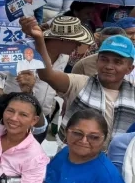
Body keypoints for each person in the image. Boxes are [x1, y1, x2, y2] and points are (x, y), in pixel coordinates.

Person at [23, 16, 135, 144]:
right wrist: (39, 39)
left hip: (118, 156)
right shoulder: (81, 83)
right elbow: (47, 75)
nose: (109, 66)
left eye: (117, 62)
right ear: (97, 61)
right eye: (104, 59)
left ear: (130, 69)